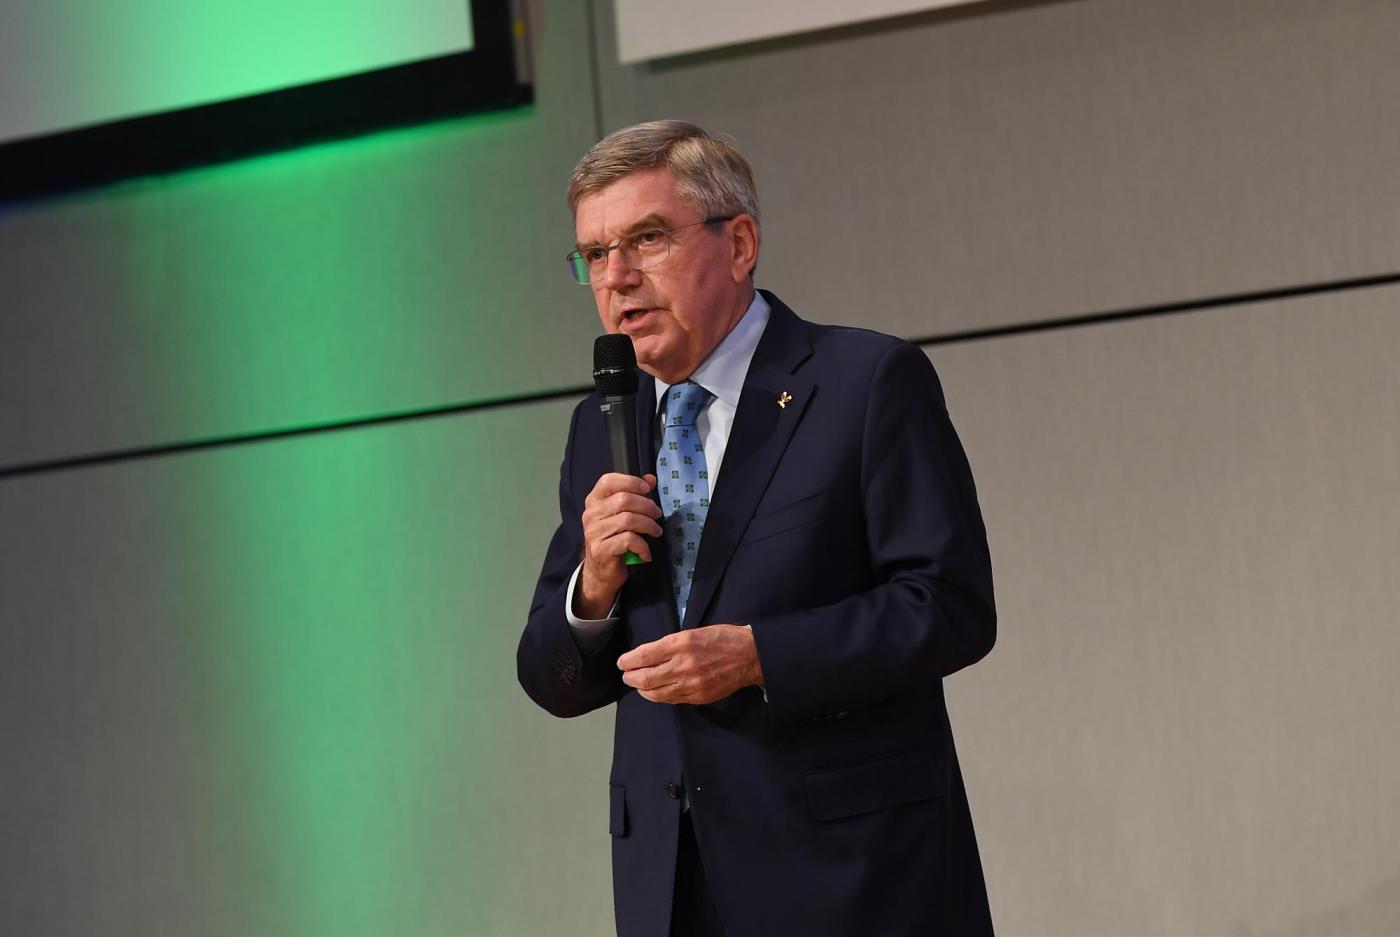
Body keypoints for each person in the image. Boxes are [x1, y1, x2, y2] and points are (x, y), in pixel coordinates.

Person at [517, 120, 997, 937]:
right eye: (594, 253)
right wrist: (592, 585)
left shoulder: (863, 383)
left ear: (738, 244)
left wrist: (758, 655)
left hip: (854, 881)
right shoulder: (600, 426)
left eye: (647, 238)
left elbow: (950, 605)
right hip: (672, 885)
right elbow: (550, 678)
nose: (617, 276)